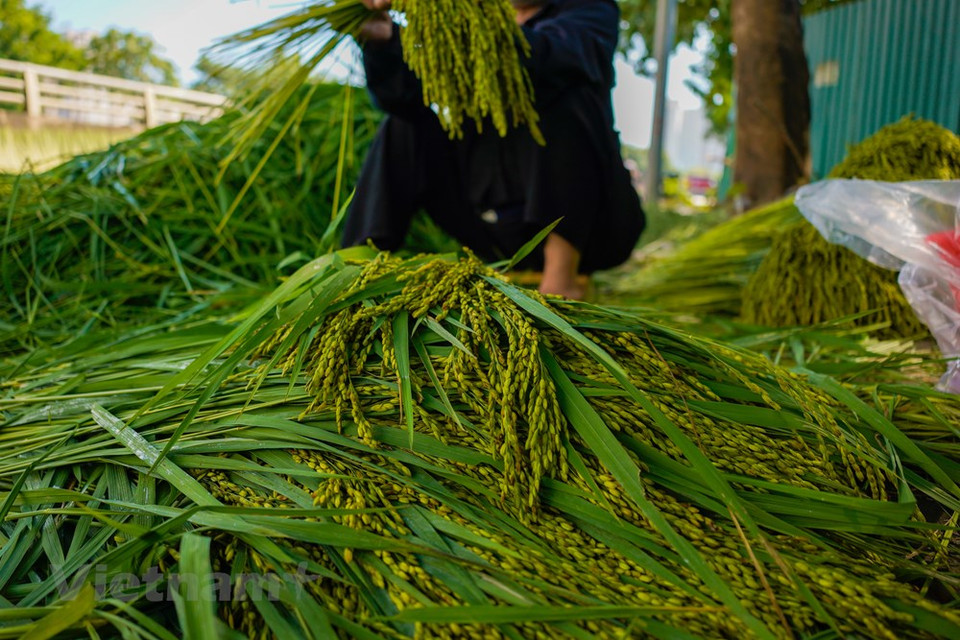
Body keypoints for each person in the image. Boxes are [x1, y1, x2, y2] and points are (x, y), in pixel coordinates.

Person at [344, 0, 645, 299]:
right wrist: (385, 40)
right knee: (404, 125)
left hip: (591, 229)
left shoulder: (590, 9)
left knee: (563, 91)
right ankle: (354, 268)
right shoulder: (471, 22)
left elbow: (544, 58)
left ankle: (560, 278)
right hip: (491, 223)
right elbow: (402, 96)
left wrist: (445, 9)